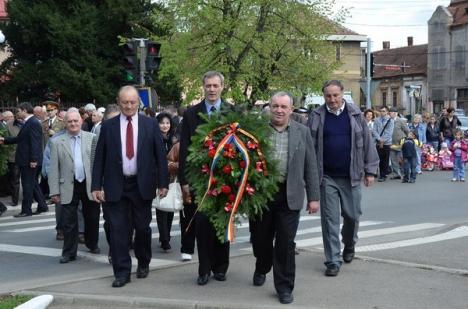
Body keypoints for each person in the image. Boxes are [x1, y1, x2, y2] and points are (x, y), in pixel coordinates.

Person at [92, 86, 169, 288]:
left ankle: (144, 261)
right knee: (118, 230)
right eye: (125, 102)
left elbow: (160, 156)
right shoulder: (107, 126)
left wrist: (163, 183)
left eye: (132, 102)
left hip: (141, 184)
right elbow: (99, 157)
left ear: (138, 103)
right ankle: (122, 272)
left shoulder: (150, 124)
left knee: (142, 228)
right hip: (115, 185)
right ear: (118, 102)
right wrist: (96, 185)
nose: (128, 106)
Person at [249, 92, 320, 305]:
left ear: (291, 109)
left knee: (285, 243)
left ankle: (285, 286)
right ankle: (262, 265)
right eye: (275, 106)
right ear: (269, 107)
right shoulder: (257, 132)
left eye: (283, 107)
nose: (279, 110)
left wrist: (314, 197)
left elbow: (311, 166)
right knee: (261, 239)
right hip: (262, 195)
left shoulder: (302, 132)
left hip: (290, 194)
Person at [307, 80, 379, 277]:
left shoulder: (355, 115)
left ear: (342, 94)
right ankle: (332, 260)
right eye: (328, 96)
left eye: (335, 95)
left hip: (352, 176)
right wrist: (309, 176)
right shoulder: (316, 116)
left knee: (352, 216)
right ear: (324, 96)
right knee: (329, 220)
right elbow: (310, 148)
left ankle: (349, 244)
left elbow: (367, 143)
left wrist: (370, 170)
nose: (332, 100)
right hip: (327, 177)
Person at [178, 71, 233, 285]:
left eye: (215, 85)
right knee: (202, 225)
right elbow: (184, 150)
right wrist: (184, 181)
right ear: (203, 87)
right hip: (199, 180)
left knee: (222, 223)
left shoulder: (231, 111)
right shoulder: (192, 114)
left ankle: (221, 267)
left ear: (222, 87)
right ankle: (204, 269)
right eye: (208, 85)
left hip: (226, 178)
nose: (211, 89)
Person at [48, 108, 101, 263]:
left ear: (81, 121)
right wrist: (54, 191)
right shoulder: (56, 142)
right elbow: (53, 169)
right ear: (65, 123)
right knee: (69, 221)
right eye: (69, 121)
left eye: (75, 120)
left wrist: (100, 186)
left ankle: (92, 243)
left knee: (92, 217)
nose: (73, 124)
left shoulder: (92, 138)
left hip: (89, 184)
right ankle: (69, 252)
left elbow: (98, 164)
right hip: (67, 185)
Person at [0, 102, 49, 217]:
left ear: (24, 110)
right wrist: (4, 140)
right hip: (26, 159)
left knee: (27, 185)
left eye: (19, 111)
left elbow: (35, 143)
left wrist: (33, 160)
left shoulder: (33, 122)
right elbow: (19, 139)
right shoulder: (29, 122)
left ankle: (26, 210)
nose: (17, 113)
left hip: (29, 160)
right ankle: (42, 206)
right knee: (33, 184)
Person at [155, 112, 178, 252]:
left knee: (169, 209)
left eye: (167, 123)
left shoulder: (174, 139)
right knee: (161, 208)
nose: (165, 126)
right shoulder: (154, 138)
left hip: (171, 177)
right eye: (162, 123)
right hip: (157, 177)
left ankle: (166, 235)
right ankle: (164, 238)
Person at [4, 111, 21, 206]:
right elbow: (6, 140)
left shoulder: (28, 123)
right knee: (15, 180)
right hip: (13, 156)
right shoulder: (9, 125)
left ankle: (30, 198)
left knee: (29, 181)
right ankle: (15, 200)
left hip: (27, 156)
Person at [372, 106, 394, 182]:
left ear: (387, 112)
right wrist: (379, 139)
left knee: (385, 159)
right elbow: (374, 131)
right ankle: (381, 173)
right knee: (379, 159)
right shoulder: (376, 120)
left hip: (387, 143)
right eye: (381, 111)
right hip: (378, 142)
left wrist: (383, 140)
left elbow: (389, 133)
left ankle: (384, 175)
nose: (382, 112)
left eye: (384, 111)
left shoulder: (390, 120)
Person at [388, 107, 409, 180]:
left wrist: (406, 139)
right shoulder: (388, 121)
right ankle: (396, 173)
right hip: (391, 143)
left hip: (400, 143)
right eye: (389, 112)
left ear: (395, 113)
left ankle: (405, 172)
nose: (389, 114)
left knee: (402, 158)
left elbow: (407, 131)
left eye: (390, 113)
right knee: (393, 159)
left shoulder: (400, 121)